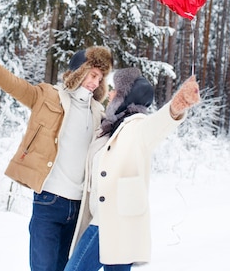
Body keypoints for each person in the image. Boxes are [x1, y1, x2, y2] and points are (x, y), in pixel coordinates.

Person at [0, 35, 113, 271]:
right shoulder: (47, 96)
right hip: (49, 202)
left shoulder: (97, 111)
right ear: (79, 71)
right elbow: (10, 82)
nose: (96, 82)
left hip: (79, 208)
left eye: (100, 78)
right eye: (93, 75)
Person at [63, 67, 201, 271]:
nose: (110, 94)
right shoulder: (108, 128)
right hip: (105, 221)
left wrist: (176, 106)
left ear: (127, 98)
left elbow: (157, 125)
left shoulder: (137, 127)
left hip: (111, 222)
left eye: (116, 91)